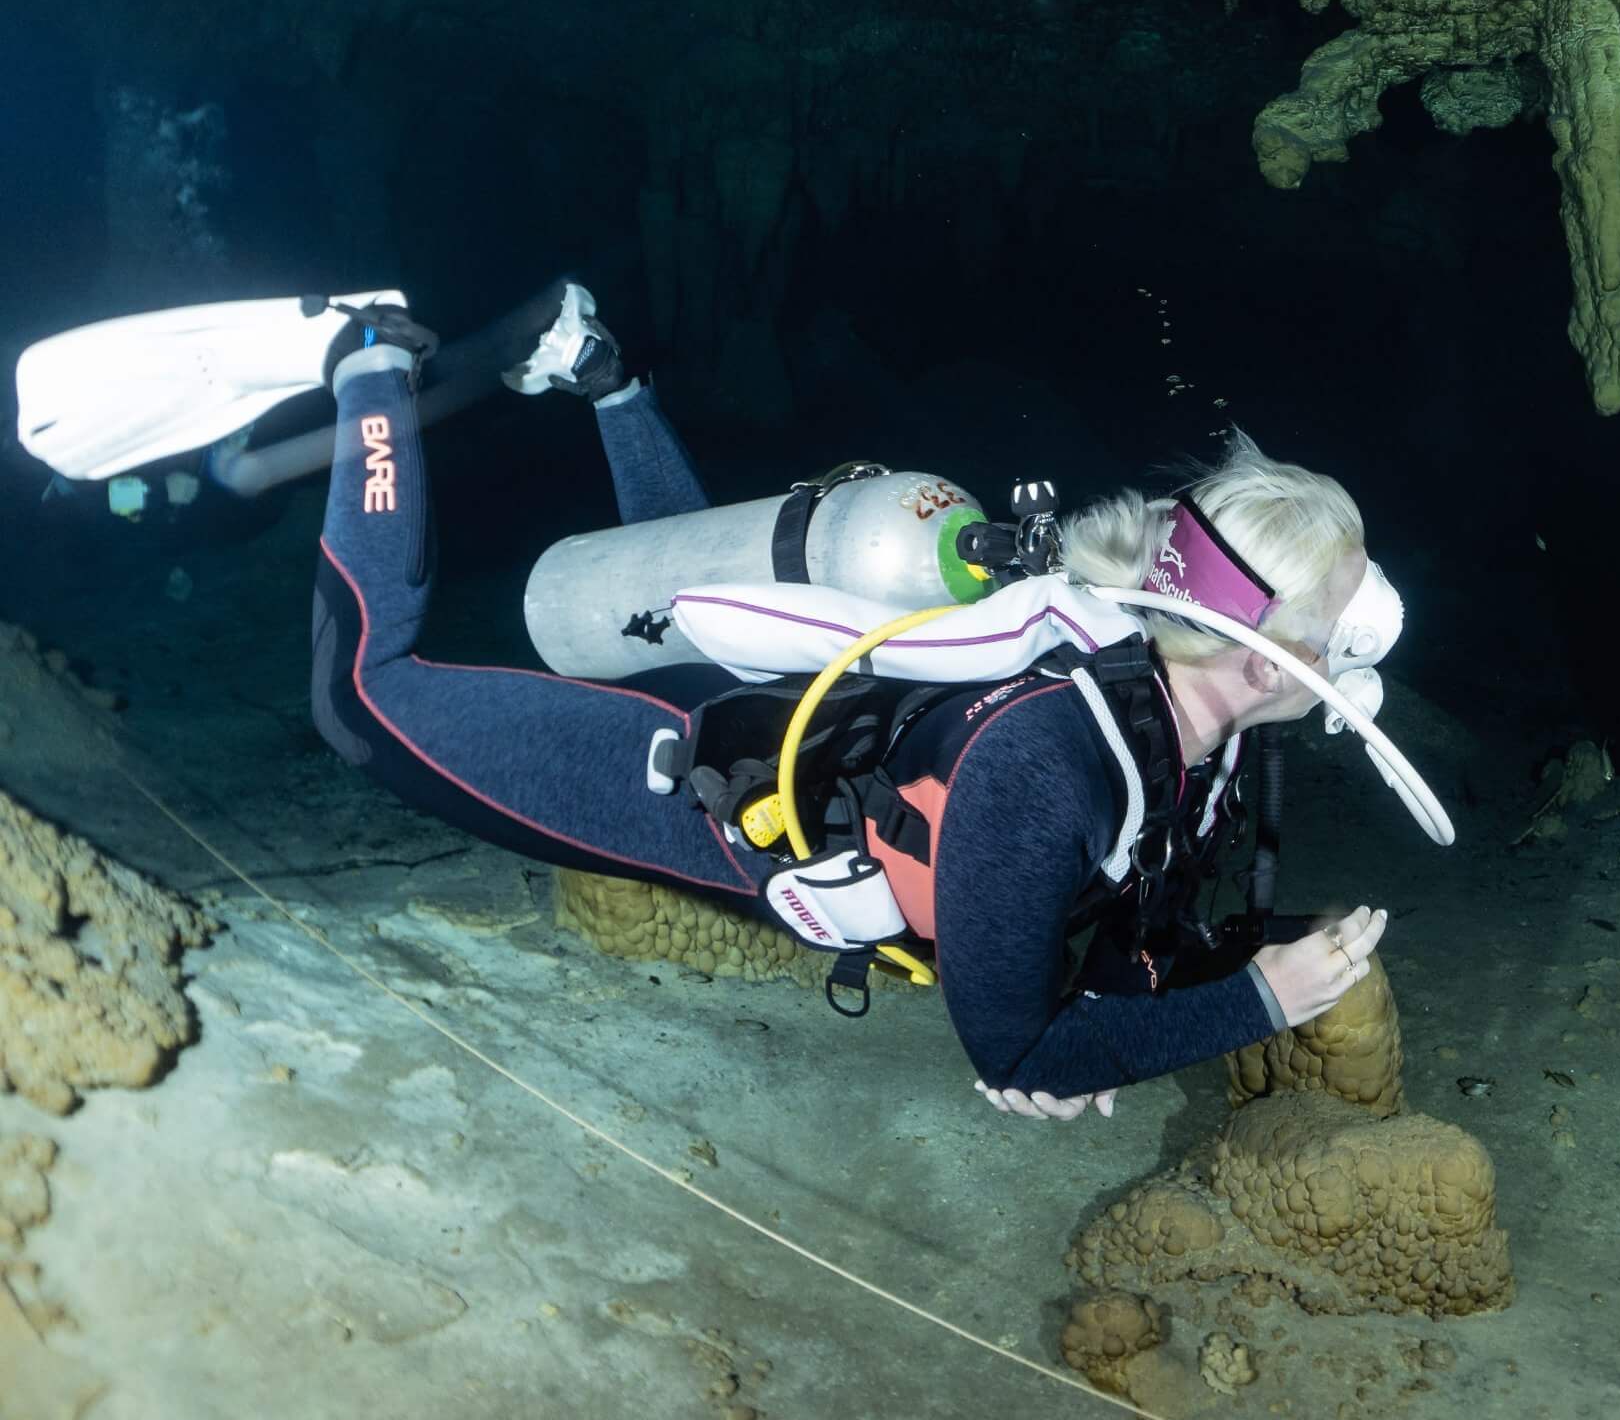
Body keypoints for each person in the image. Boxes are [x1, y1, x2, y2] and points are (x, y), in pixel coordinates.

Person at [308, 291, 1393, 1122]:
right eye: (1340, 614)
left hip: (788, 706)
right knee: (362, 698)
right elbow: (1011, 1054)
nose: (1359, 636)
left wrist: (1119, 1028)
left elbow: (1130, 922)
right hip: (689, 786)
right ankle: (369, 365)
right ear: (1260, 662)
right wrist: (1262, 1000)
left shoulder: (1191, 739)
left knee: (686, 610)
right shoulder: (1049, 765)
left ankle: (608, 376)